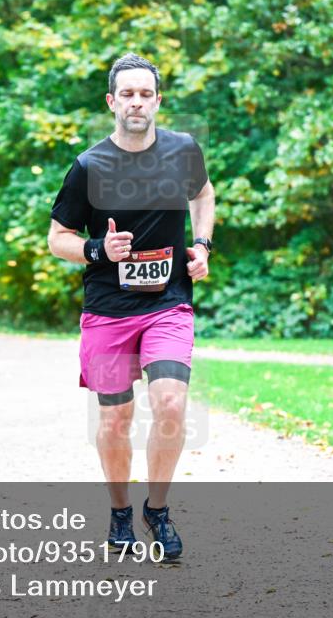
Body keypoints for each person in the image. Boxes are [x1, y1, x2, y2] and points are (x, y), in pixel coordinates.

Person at [47, 53, 215, 559]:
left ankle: (157, 511)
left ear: (157, 101)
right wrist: (100, 250)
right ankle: (120, 512)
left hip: (168, 303)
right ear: (111, 101)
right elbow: (58, 238)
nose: (136, 102)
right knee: (116, 419)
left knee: (170, 404)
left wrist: (202, 246)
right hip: (107, 309)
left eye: (146, 94)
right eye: (127, 94)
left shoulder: (183, 150)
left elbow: (204, 194)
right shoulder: (89, 165)